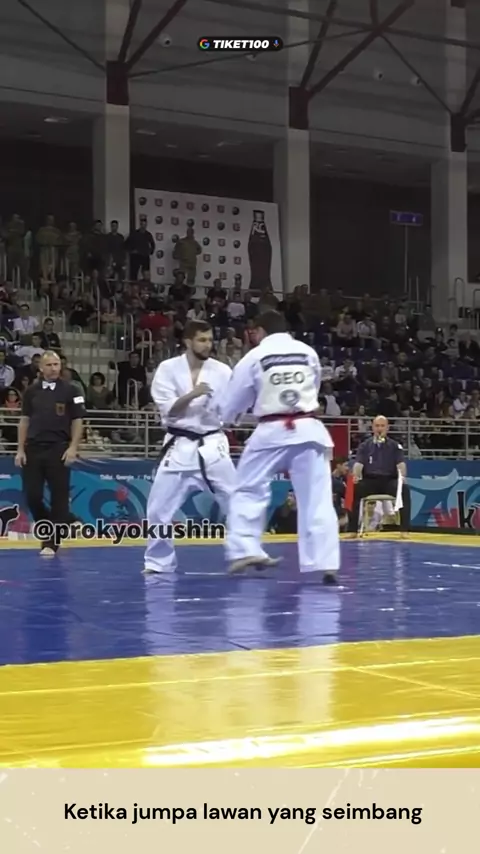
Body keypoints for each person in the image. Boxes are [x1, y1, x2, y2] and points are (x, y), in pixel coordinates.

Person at [216, 310, 339, 582]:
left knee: (248, 488)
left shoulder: (255, 356)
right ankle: (326, 563)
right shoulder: (307, 352)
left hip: (271, 431)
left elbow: (235, 397)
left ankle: (245, 548)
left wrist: (228, 418)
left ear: (260, 331)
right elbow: (315, 385)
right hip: (308, 428)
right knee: (317, 498)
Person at [144, 320, 235, 574]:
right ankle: (158, 562)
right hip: (179, 445)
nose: (208, 344)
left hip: (212, 443)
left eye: (210, 340)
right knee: (158, 509)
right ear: (187, 341)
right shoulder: (167, 369)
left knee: (236, 501)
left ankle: (246, 553)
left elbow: (231, 408)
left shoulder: (222, 371)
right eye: (202, 340)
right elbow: (168, 409)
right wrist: (194, 394)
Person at [14, 351, 85, 555]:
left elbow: (78, 420)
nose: (54, 368)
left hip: (59, 448)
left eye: (56, 364)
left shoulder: (72, 390)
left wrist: (73, 447)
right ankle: (65, 520)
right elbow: (24, 420)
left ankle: (51, 542)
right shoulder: (31, 391)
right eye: (49, 365)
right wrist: (20, 449)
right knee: (32, 496)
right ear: (41, 367)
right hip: (33, 448)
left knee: (59, 498)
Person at [347, 415, 410, 536]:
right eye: (377, 426)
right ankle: (352, 530)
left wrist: (402, 476)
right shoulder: (365, 445)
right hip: (370, 481)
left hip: (389, 481)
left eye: (382, 426)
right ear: (373, 428)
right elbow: (358, 464)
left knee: (404, 490)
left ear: (387, 428)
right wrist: (356, 475)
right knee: (353, 489)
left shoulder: (395, 446)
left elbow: (401, 464)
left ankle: (404, 530)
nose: (379, 428)